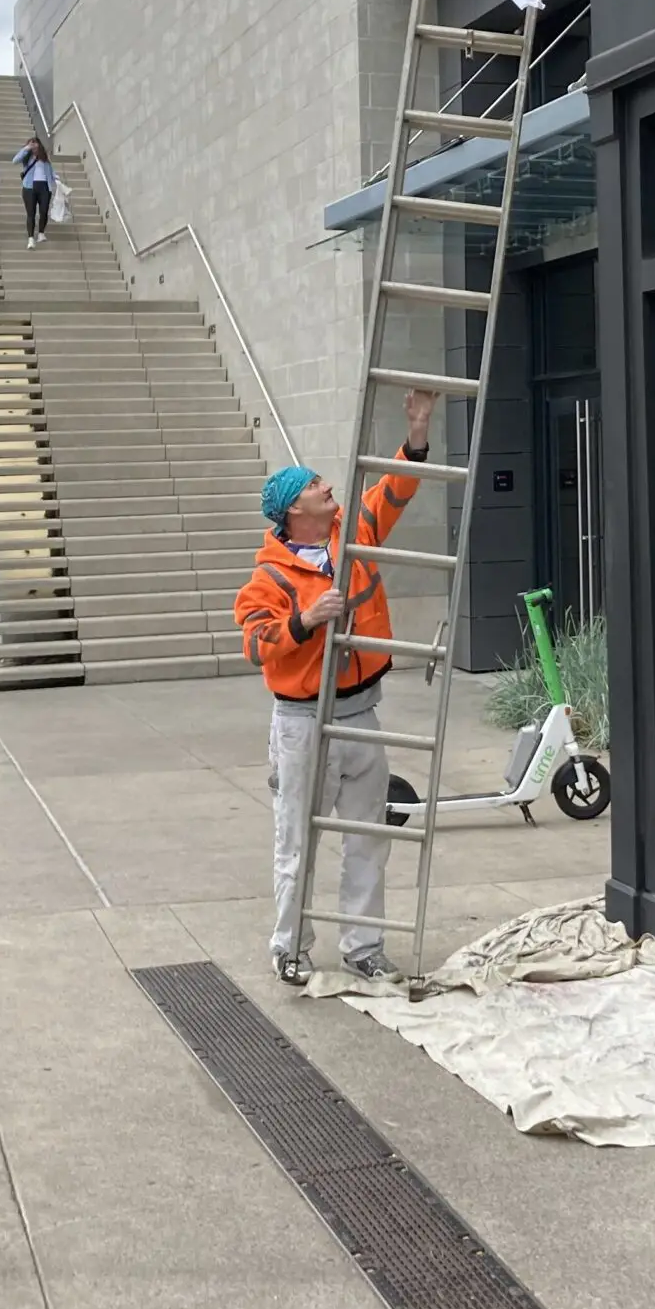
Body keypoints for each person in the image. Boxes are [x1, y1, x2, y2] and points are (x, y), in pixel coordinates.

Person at [235, 388, 436, 986]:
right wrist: (306, 620)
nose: (327, 486)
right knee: (297, 840)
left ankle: (363, 947)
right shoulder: (269, 577)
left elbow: (394, 489)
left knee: (368, 836)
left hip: (361, 714)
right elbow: (256, 643)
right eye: (314, 485)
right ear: (293, 511)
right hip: (303, 724)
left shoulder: (353, 533)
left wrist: (417, 431)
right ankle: (290, 946)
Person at [16, 135, 56, 247]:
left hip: (44, 186)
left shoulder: (44, 158)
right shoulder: (27, 157)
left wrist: (56, 179)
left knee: (44, 211)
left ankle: (41, 233)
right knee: (31, 213)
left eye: (35, 143)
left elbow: (51, 171)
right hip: (29, 187)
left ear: (39, 145)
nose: (33, 145)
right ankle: (30, 238)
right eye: (31, 143)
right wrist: (26, 148)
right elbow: (15, 160)